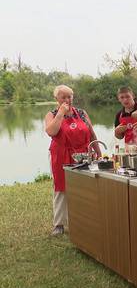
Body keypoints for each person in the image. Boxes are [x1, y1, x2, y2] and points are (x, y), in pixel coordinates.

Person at [44, 85, 101, 235]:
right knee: (61, 188)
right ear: (56, 99)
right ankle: (59, 224)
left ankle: (84, 219)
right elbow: (51, 131)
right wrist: (60, 114)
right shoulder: (52, 114)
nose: (67, 100)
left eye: (70, 96)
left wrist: (99, 153)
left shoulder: (81, 113)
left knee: (85, 186)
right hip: (61, 154)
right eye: (64, 97)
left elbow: (92, 134)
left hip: (83, 154)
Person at [113, 86, 137, 155]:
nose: (125, 100)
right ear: (118, 99)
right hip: (130, 152)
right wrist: (117, 132)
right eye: (122, 97)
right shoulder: (119, 115)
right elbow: (120, 137)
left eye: (127, 96)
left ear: (133, 96)